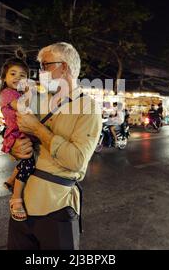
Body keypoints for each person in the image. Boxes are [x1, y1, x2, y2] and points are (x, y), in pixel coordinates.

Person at [7, 42, 102, 250]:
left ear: (64, 67)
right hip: (22, 203)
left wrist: (38, 130)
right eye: (40, 66)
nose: (40, 72)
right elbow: (15, 136)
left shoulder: (88, 108)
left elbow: (76, 160)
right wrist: (14, 149)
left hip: (56, 205)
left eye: (45, 65)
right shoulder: (39, 100)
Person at [0, 57, 34, 222]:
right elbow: (22, 107)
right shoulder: (7, 93)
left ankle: (10, 180)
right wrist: (29, 92)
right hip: (16, 134)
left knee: (27, 161)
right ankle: (16, 199)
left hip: (20, 132)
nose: (18, 78)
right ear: (4, 77)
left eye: (22, 75)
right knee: (28, 164)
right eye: (13, 73)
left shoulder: (15, 93)